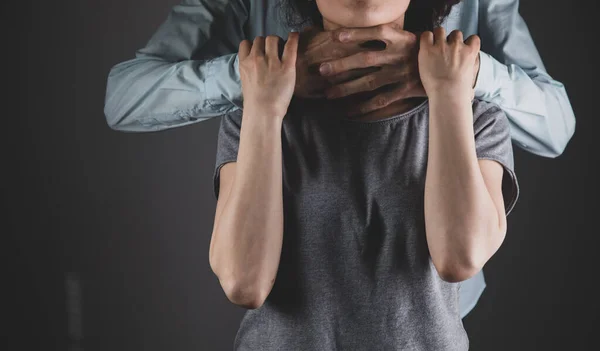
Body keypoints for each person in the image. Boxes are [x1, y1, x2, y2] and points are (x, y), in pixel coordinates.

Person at [104, 0, 575, 320]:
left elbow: (556, 125)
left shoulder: (480, 91)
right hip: (290, 301)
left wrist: (463, 74)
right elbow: (125, 99)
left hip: (429, 307)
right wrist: (260, 76)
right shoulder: (247, 100)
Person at [208, 0, 518, 351]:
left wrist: (448, 96)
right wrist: (265, 112)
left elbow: (461, 258)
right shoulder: (254, 112)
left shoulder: (478, 116)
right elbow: (243, 282)